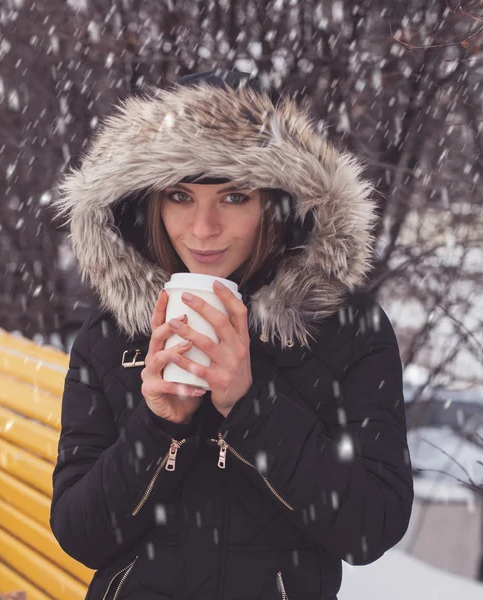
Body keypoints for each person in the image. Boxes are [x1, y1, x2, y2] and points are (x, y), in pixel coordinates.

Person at [50, 70, 414, 599]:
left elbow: (371, 527)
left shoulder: (346, 329)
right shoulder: (113, 333)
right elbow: (81, 536)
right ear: (146, 203)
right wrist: (159, 427)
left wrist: (250, 407)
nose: (203, 229)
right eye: (180, 195)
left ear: (278, 203)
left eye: (234, 196)